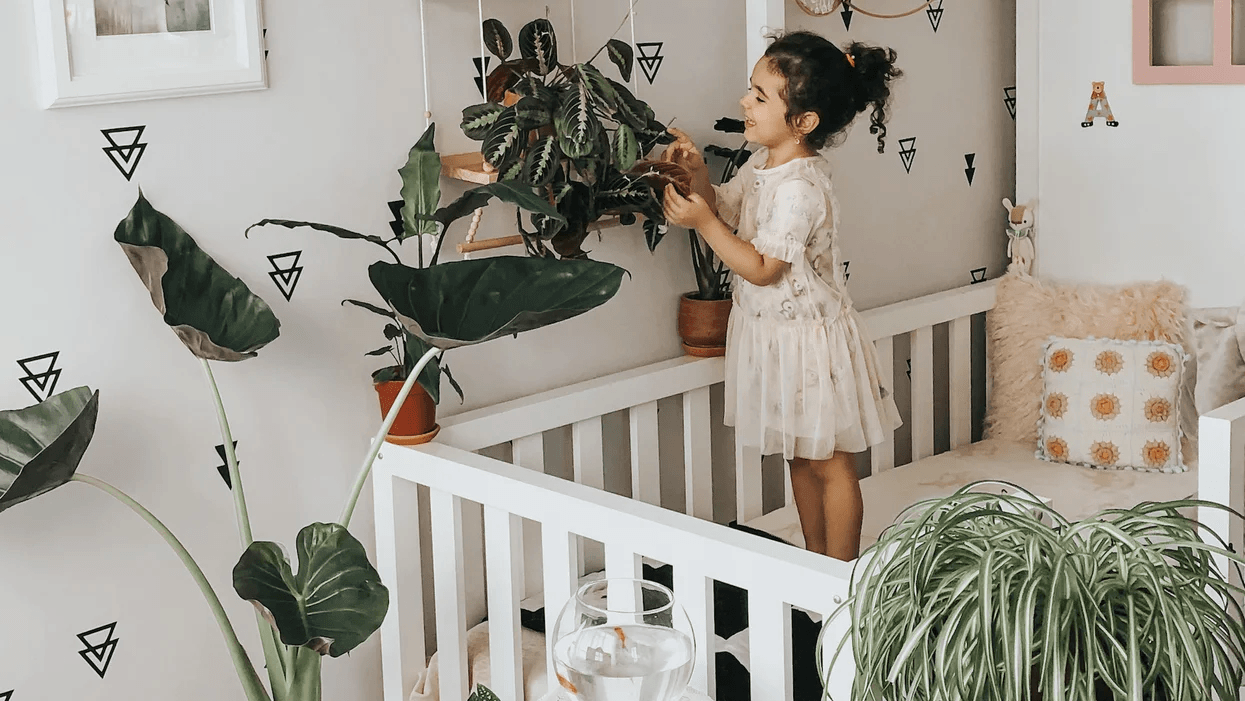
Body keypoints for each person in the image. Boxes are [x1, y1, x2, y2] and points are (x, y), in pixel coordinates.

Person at [662, 30, 904, 561]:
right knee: (798, 455)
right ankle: (812, 565)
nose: (744, 102)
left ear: (804, 122)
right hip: (773, 337)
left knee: (830, 461)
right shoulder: (764, 165)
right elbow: (729, 208)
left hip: (811, 343)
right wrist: (699, 178)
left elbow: (764, 267)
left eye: (759, 96)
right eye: (751, 90)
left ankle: (840, 577)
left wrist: (701, 223)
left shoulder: (801, 186)